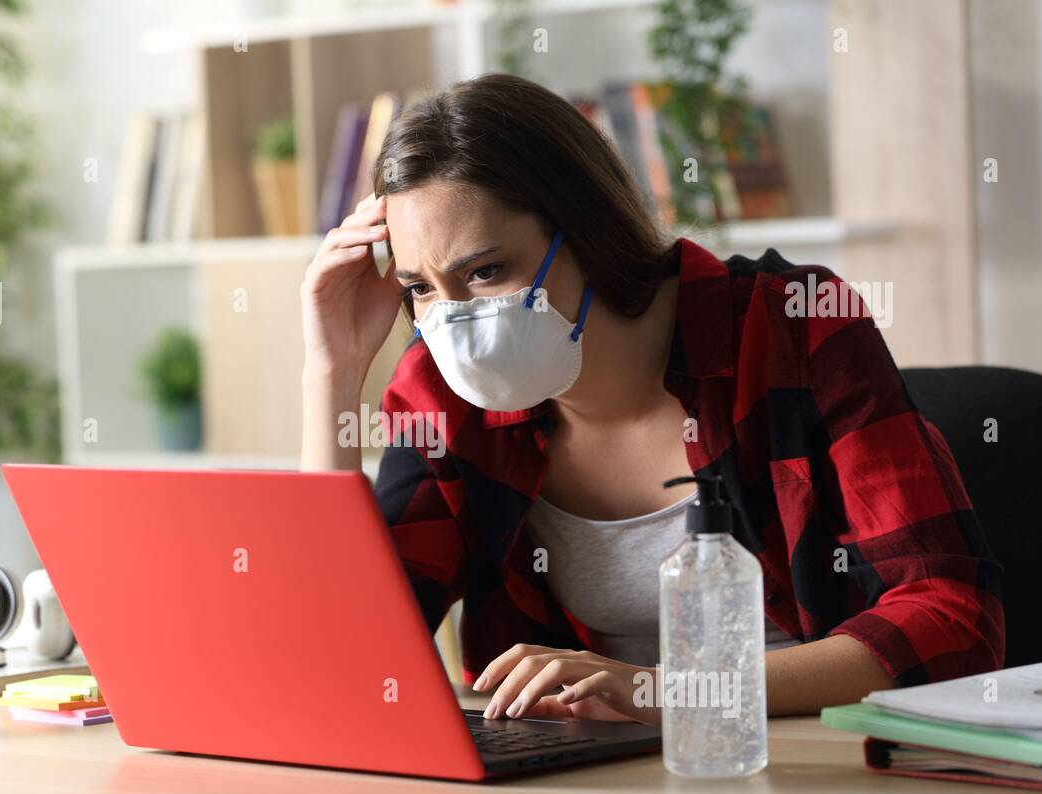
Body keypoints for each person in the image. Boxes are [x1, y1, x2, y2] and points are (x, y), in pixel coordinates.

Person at [299, 73, 1003, 725]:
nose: (452, 324)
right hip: (590, 786)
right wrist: (331, 374)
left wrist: (663, 692)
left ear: (587, 233)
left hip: (804, 761)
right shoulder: (437, 395)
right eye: (421, 288)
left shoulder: (791, 324)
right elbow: (345, 654)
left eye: (485, 271)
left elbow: (954, 617)